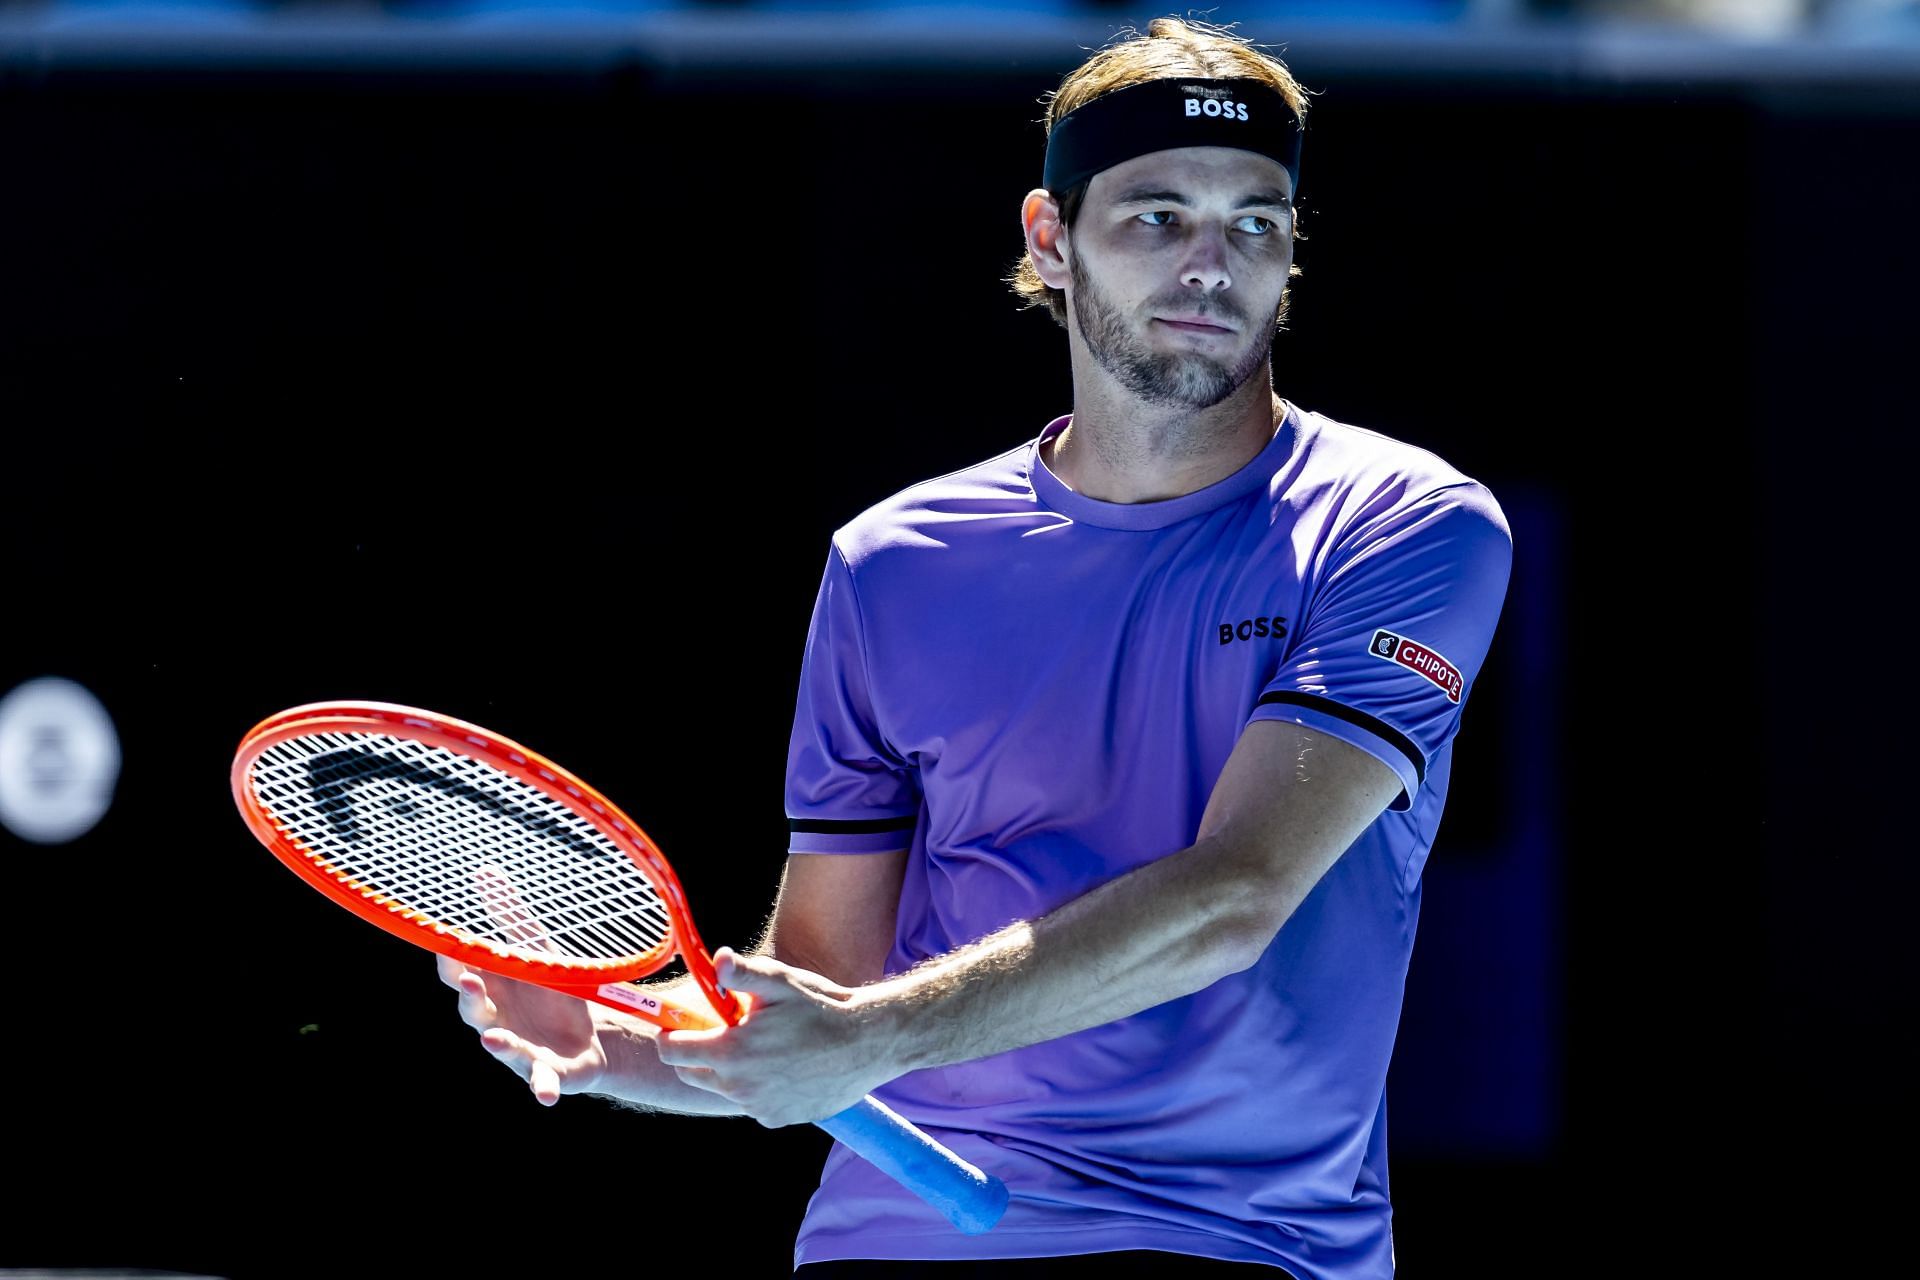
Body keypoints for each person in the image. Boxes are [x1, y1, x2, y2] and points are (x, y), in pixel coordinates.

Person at [440, 16, 1513, 1278]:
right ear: (1051, 242)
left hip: (1240, 1248)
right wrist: (621, 1046)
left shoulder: (1409, 523)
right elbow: (824, 984)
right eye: (1158, 217)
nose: (1212, 264)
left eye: (1256, 223)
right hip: (885, 1245)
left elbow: (1236, 897)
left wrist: (868, 1033)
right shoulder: (891, 563)